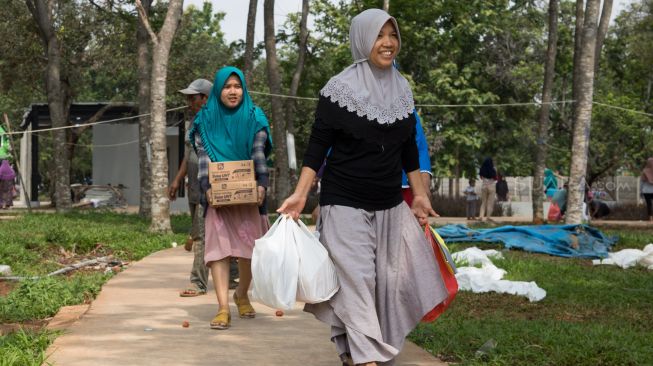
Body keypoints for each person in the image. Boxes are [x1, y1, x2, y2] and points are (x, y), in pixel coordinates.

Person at [277, 9, 447, 366]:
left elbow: (408, 150)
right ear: (362, 39)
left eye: (392, 35)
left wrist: (418, 196)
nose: (388, 43)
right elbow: (316, 147)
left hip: (388, 204)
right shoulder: (338, 90)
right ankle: (368, 358)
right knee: (358, 280)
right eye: (379, 35)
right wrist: (301, 193)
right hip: (344, 202)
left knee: (392, 281)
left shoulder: (402, 90)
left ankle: (354, 351)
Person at [189, 66, 272, 330]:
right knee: (219, 252)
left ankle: (242, 294)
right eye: (227, 86)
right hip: (218, 197)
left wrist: (262, 185)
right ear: (217, 90)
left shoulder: (254, 116)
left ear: (244, 89)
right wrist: (206, 188)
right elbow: (203, 157)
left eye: (237, 86)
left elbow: (259, 152)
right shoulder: (204, 119)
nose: (233, 91)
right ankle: (223, 307)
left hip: (249, 197)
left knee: (249, 251)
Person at [169, 78, 213, 297]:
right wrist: (177, 179)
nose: (188, 101)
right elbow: (189, 155)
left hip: (211, 188)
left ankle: (198, 282)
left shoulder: (215, 120)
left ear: (205, 98)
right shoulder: (194, 121)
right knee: (199, 233)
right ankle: (228, 275)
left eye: (192, 97)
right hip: (195, 186)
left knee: (204, 236)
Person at [401, 113, 432, 206]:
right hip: (361, 188)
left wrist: (423, 185)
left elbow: (419, 145)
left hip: (404, 188)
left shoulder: (403, 103)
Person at [478, 157, 497, 221]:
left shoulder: (481, 169)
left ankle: (481, 216)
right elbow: (495, 178)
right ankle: (488, 217)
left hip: (484, 186)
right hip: (491, 186)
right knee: (490, 203)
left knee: (483, 202)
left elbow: (481, 177)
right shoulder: (493, 169)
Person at [641, 157, 653, 222]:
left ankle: (650, 219)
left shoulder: (644, 171)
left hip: (646, 191)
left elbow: (642, 182)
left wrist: (640, 191)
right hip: (647, 191)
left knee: (649, 204)